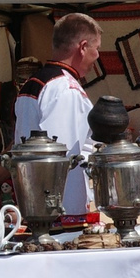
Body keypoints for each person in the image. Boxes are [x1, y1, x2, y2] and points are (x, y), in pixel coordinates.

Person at [32, 12, 102, 216]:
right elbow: (63, 151)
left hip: (36, 202)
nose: (98, 56)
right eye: (96, 48)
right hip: (62, 210)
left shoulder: (35, 82)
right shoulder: (65, 88)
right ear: (82, 47)